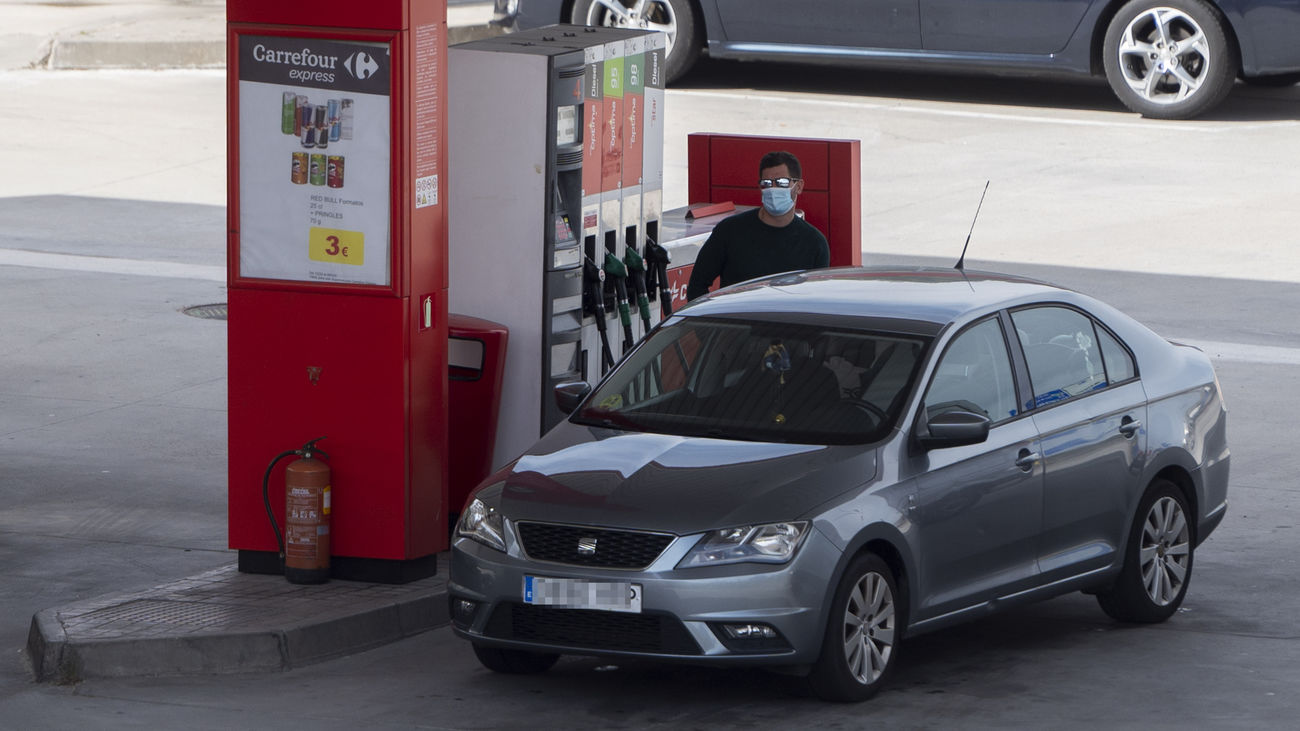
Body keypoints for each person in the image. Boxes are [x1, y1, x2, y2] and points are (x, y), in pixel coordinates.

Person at [685, 150, 830, 301]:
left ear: (799, 186)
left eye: (782, 183)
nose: (773, 189)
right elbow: (697, 286)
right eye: (766, 184)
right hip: (738, 321)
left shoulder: (814, 243)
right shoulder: (730, 231)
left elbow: (817, 301)